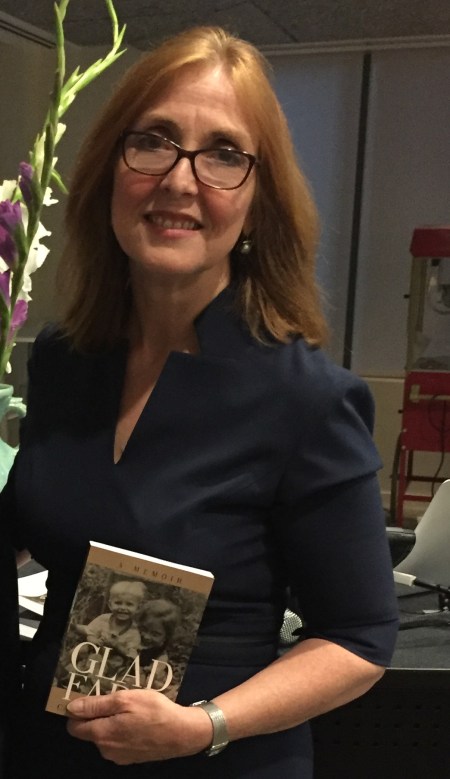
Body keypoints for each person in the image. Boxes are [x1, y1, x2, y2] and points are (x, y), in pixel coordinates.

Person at [1, 25, 399, 778]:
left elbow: (358, 639)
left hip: (215, 760)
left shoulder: (306, 399)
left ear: (257, 198)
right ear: (110, 168)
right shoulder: (64, 359)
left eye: (223, 154)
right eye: (152, 141)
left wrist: (203, 726)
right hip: (46, 751)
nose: (180, 180)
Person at [75, 579, 147, 659]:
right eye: (118, 603)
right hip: (95, 651)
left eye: (129, 604)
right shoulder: (103, 619)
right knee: (80, 650)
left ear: (138, 608)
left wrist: (117, 646)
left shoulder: (133, 632)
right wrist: (96, 641)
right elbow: (90, 634)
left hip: (114, 660)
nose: (123, 608)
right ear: (110, 605)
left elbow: (131, 654)